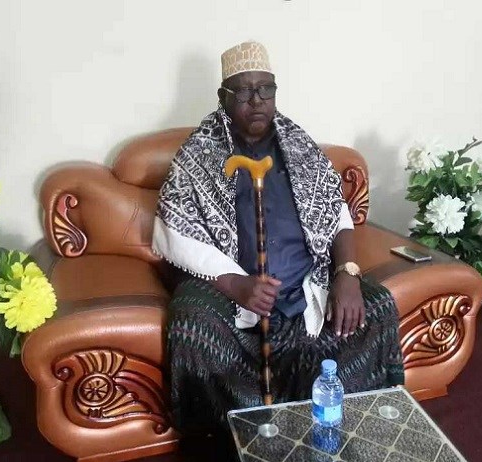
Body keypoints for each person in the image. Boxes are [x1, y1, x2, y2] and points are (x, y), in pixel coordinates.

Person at [153, 41, 404, 434]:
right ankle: (227, 443)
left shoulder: (299, 146)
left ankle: (348, 426)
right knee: (190, 323)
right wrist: (235, 284)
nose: (256, 101)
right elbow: (174, 229)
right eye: (243, 91)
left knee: (377, 305)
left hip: (306, 288)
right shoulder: (199, 152)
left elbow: (335, 211)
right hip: (232, 296)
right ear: (223, 96)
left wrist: (347, 273)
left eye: (265, 89)